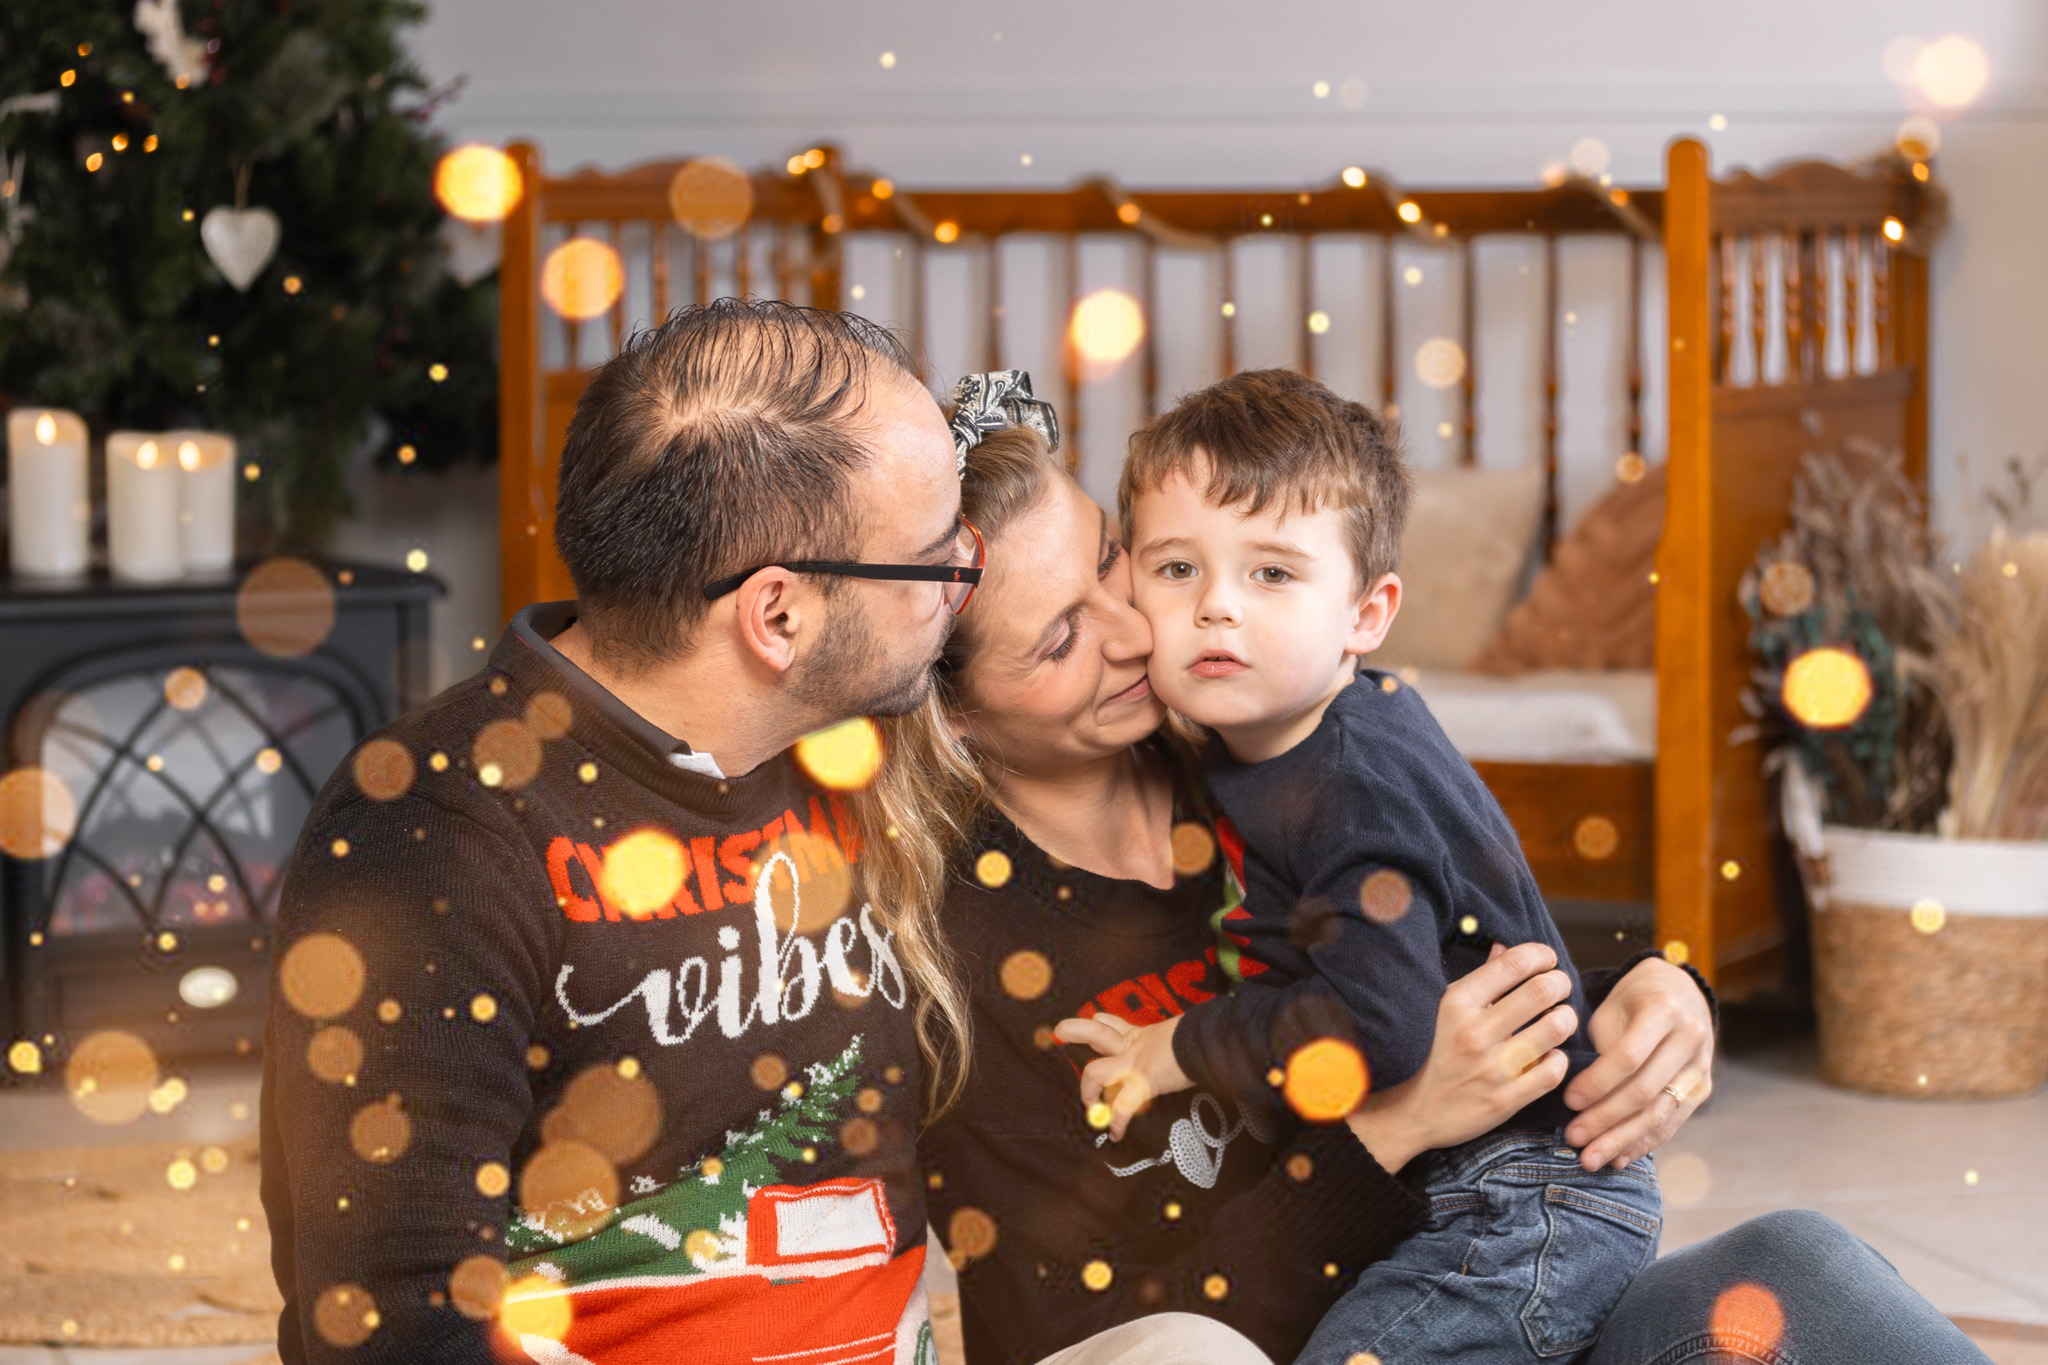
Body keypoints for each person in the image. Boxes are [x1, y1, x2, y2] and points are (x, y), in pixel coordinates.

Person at [900, 383, 1987, 1365]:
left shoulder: (1256, 763)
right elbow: (1096, 1321)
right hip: (1254, 1338)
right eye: (1057, 642)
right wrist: (1399, 1124)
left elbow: (1440, 947)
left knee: (1799, 1273)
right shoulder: (964, 947)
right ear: (948, 707)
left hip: (1456, 1262)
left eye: (1109, 562)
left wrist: (1655, 995)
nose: (1139, 631)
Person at [261, 301, 981, 1365]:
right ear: (777, 616)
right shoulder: (434, 836)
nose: (964, 586)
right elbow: (391, 1321)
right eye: (934, 562)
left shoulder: (865, 743)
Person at [1064, 368, 1658, 1365]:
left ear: (1366, 613)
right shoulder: (1265, 747)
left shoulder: (1349, 785)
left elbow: (1376, 1027)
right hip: (1465, 1182)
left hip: (1521, 1193)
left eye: (1272, 574)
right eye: (1176, 570)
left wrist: (1175, 1048)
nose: (1216, 609)